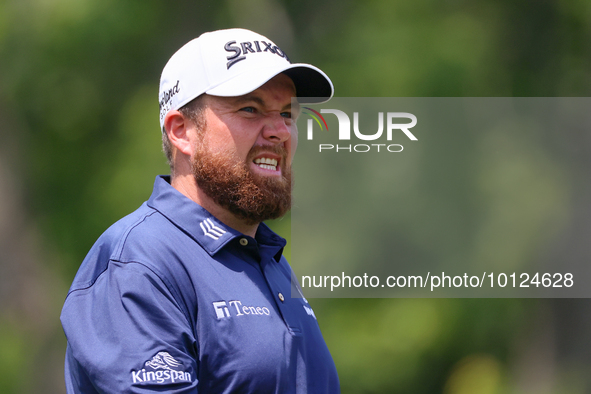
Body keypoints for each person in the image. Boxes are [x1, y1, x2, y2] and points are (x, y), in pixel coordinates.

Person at [60, 28, 339, 393]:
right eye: (250, 109)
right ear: (181, 131)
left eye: (287, 113)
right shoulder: (140, 263)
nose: (280, 131)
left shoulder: (266, 258)